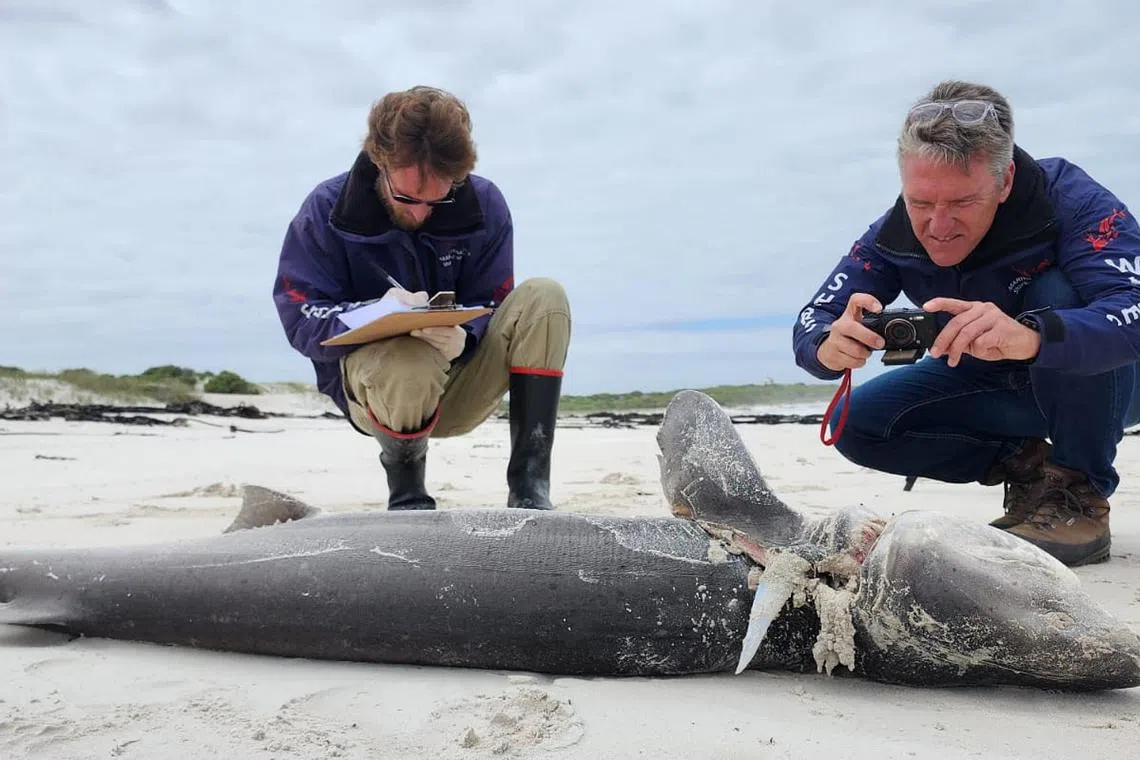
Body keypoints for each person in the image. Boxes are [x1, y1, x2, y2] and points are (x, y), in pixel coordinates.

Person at [791, 79, 1140, 567]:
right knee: (858, 422)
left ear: (1005, 182)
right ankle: (1032, 470)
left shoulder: (1071, 201)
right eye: (920, 203)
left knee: (1059, 294)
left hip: (1112, 383)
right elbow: (814, 320)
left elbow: (1133, 310)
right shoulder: (891, 234)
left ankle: (1078, 496)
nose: (937, 225)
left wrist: (1032, 337)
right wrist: (827, 347)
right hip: (993, 386)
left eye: (961, 203)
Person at [272, 85, 572, 511]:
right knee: (407, 357)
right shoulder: (325, 209)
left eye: (439, 198)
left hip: (460, 382)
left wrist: (467, 336)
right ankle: (408, 497)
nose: (420, 213)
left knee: (546, 296)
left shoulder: (485, 204)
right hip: (377, 395)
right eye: (407, 198)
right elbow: (300, 318)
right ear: (379, 160)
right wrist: (376, 313)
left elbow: (495, 300)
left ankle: (530, 491)